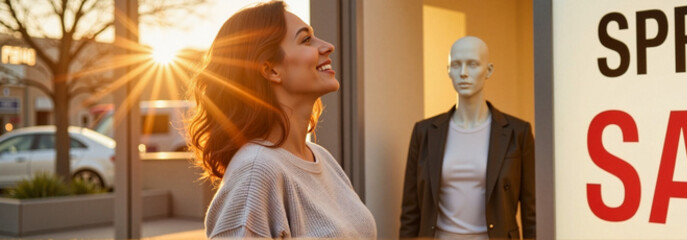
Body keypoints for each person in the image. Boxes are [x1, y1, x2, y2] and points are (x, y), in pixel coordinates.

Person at [186, 1, 375, 239]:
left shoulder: (322, 158)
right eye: (306, 40)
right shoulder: (255, 171)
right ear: (271, 70)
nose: (328, 46)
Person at [400, 36, 536, 240]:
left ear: (488, 70)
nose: (463, 73)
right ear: (448, 70)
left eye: (472, 64)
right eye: (456, 65)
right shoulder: (425, 132)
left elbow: (531, 212)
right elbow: (410, 213)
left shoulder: (518, 133)